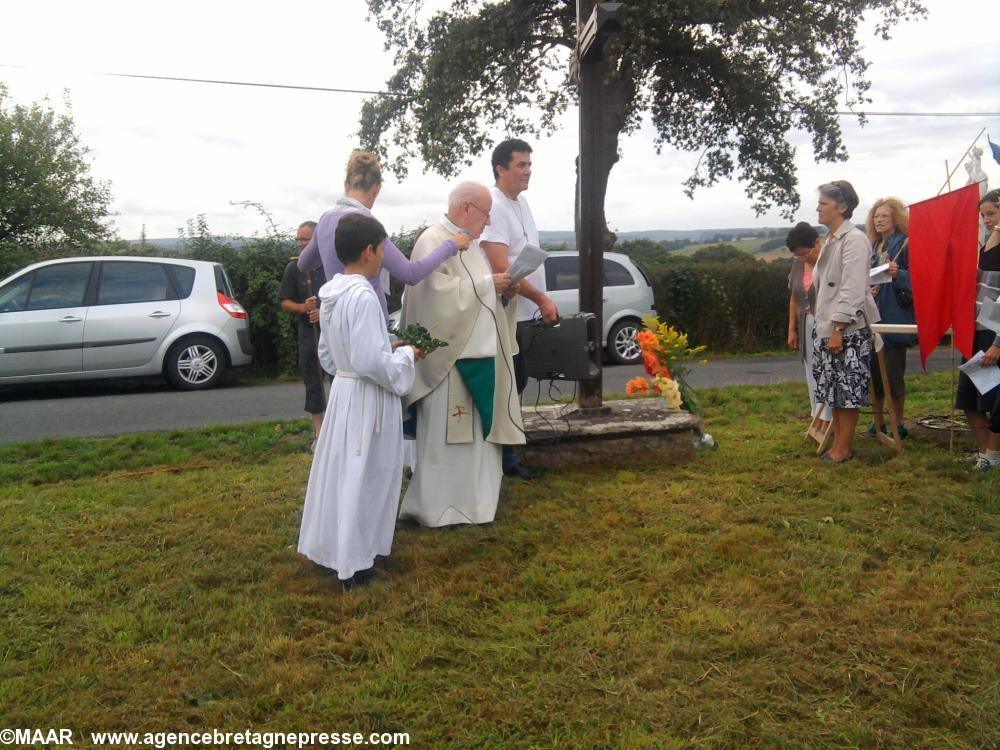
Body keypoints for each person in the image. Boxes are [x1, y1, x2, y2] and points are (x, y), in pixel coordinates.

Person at [297, 213, 422, 585]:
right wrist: (406, 356)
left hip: (344, 394)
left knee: (341, 473)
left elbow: (330, 355)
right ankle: (355, 560)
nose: (383, 257)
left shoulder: (333, 291)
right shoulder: (364, 294)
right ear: (369, 251)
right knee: (365, 474)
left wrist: (385, 345)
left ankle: (333, 548)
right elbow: (369, 361)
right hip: (367, 398)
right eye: (382, 250)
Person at [398, 181, 525, 527]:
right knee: (447, 441)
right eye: (486, 214)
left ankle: (475, 506)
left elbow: (477, 296)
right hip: (449, 365)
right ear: (466, 208)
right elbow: (432, 299)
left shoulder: (470, 246)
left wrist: (503, 293)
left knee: (475, 444)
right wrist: (488, 286)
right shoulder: (433, 241)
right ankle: (438, 508)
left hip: (477, 356)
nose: (488, 223)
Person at [297, 150, 471, 321]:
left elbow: (303, 264)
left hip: (335, 318)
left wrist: (328, 252)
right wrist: (451, 245)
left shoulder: (325, 220)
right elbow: (410, 274)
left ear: (347, 183)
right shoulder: (366, 225)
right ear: (376, 188)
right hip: (368, 319)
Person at [480, 138, 559, 480]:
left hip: (523, 312)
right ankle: (504, 458)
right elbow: (500, 265)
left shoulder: (521, 202)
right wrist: (541, 298)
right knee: (509, 381)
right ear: (501, 169)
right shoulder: (494, 205)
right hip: (503, 310)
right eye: (521, 165)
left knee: (518, 380)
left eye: (530, 165)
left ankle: (507, 450)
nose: (528, 171)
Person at [812, 180, 880, 462]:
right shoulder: (832, 239)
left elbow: (852, 289)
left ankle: (843, 448)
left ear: (842, 207)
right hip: (828, 326)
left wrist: (839, 328)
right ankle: (837, 445)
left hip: (848, 329)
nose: (818, 207)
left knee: (848, 390)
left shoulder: (854, 240)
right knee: (834, 390)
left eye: (823, 203)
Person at [955, 188, 1000, 471]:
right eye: (982, 214)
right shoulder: (986, 243)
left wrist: (999, 342)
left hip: (994, 332)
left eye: (991, 213)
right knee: (969, 398)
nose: (985, 219)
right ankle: (984, 453)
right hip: (975, 328)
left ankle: (993, 456)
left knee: (995, 401)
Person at [865, 197, 917, 439]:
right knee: (874, 377)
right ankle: (878, 422)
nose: (879, 220)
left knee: (894, 375)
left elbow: (919, 279)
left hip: (894, 318)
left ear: (896, 218)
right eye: (876, 216)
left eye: (884, 216)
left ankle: (898, 422)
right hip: (873, 317)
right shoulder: (874, 246)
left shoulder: (905, 244)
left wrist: (899, 274)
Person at [279, 221, 327, 441]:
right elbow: (284, 302)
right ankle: (319, 434)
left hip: (333, 332)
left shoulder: (331, 265)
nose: (301, 243)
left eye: (306, 239)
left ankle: (337, 432)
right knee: (313, 381)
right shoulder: (294, 268)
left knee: (339, 380)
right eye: (299, 239)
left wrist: (323, 312)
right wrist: (303, 308)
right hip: (308, 333)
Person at [785, 222, 832, 429]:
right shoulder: (797, 265)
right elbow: (794, 298)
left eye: (804, 253)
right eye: (798, 255)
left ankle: (827, 418)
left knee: (826, 370)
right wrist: (791, 329)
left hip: (826, 321)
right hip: (806, 321)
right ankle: (816, 414)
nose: (802, 258)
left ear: (816, 243)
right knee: (811, 369)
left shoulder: (828, 262)